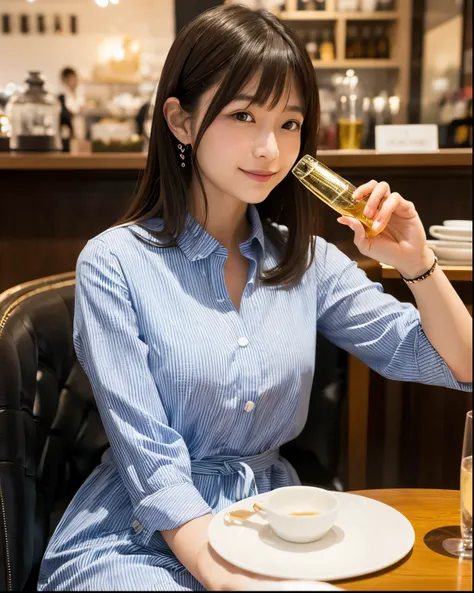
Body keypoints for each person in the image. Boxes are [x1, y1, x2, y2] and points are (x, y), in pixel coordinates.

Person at [38, 4, 472, 591]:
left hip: (271, 524)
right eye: (243, 114)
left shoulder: (309, 261)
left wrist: (419, 265)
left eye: (290, 124)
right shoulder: (116, 263)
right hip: (140, 533)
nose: (270, 148)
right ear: (181, 121)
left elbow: (460, 364)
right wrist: (224, 579)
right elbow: (151, 459)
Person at [58, 67, 84, 146]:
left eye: (74, 78)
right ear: (64, 80)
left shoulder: (79, 96)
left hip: (80, 133)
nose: (74, 82)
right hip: (67, 135)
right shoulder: (61, 97)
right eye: (70, 79)